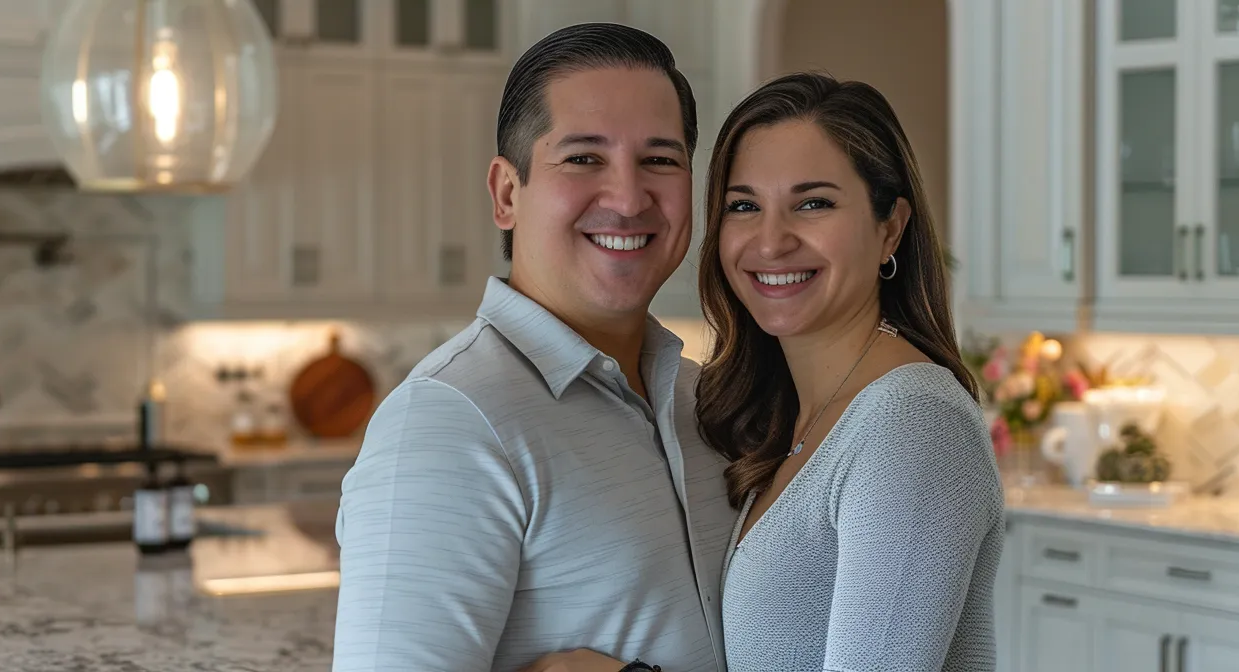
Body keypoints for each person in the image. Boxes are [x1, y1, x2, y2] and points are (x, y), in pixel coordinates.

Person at [524, 71, 1004, 672]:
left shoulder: (910, 423)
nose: (771, 242)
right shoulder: (786, 417)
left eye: (813, 203)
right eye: (744, 206)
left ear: (890, 228)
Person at [331, 22, 737, 672]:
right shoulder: (447, 422)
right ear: (506, 194)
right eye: (583, 158)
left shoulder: (704, 403)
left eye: (660, 159)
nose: (630, 197)